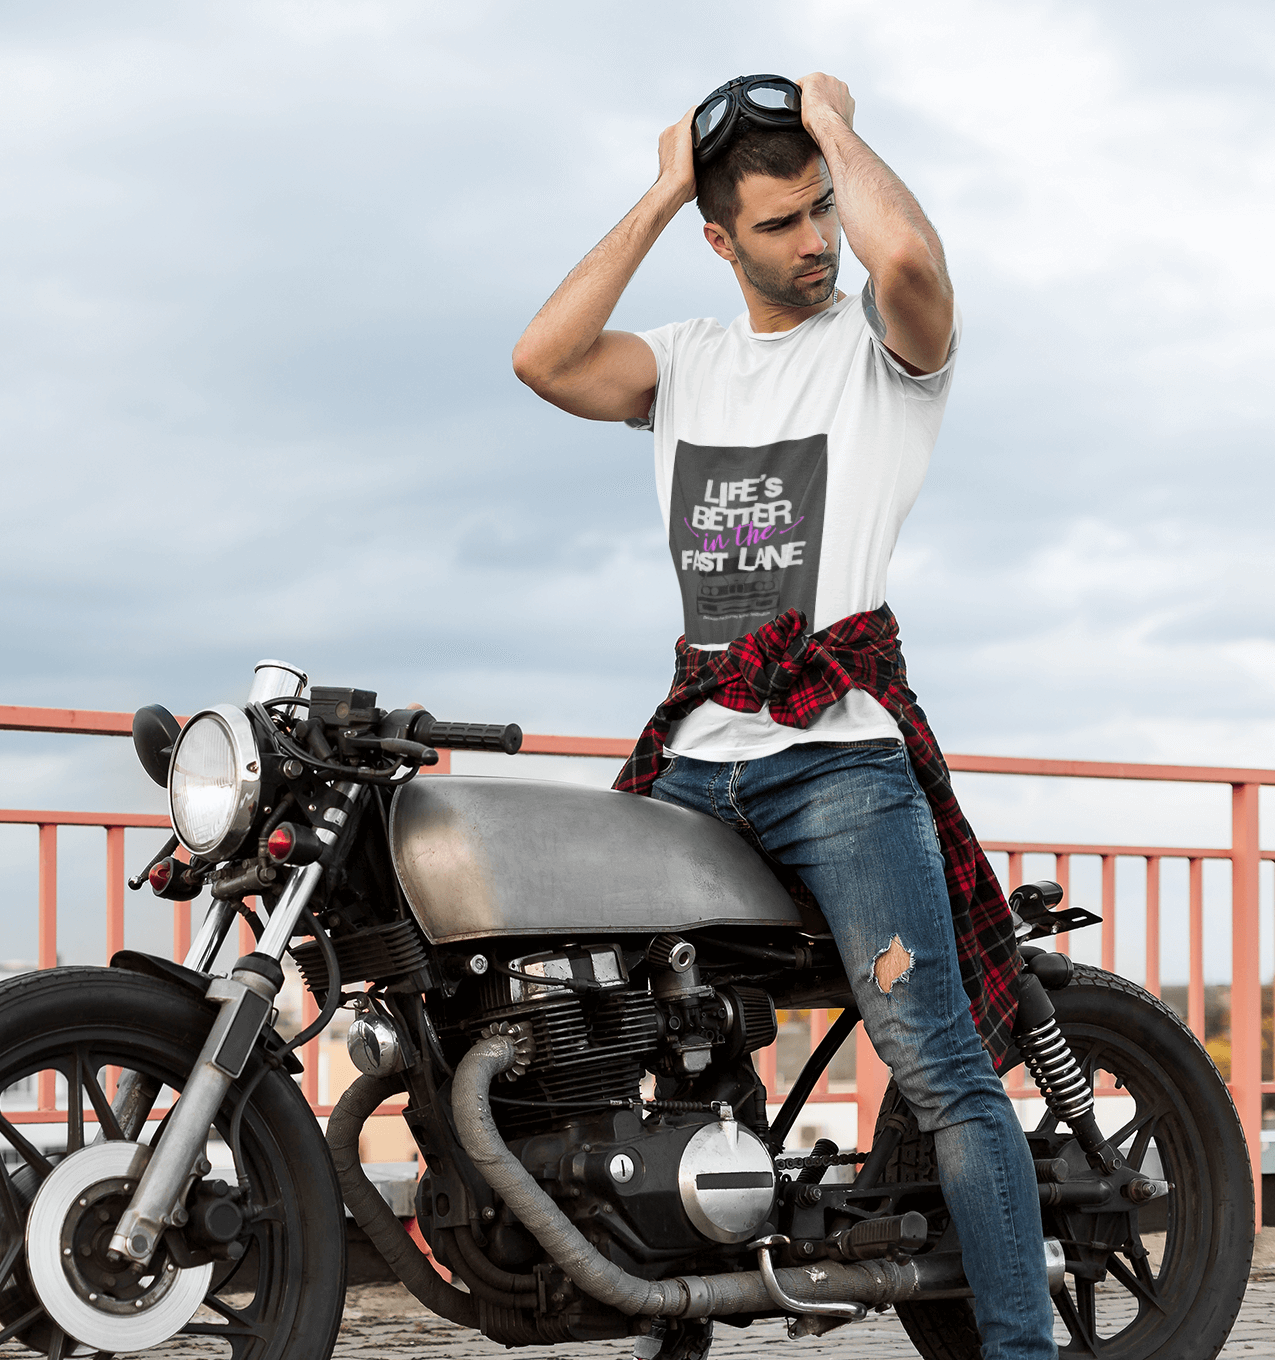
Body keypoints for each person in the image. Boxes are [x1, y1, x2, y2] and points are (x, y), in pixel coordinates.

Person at [510, 74, 1055, 1360]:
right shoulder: (685, 364)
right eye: (777, 223)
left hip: (840, 763)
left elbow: (908, 253)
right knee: (651, 1046)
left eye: (820, 212)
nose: (814, 242)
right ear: (718, 238)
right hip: (700, 762)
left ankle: (1022, 1350)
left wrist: (836, 130)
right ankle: (678, 1314)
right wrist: (656, 191)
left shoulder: (885, 351)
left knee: (938, 1068)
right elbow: (542, 358)